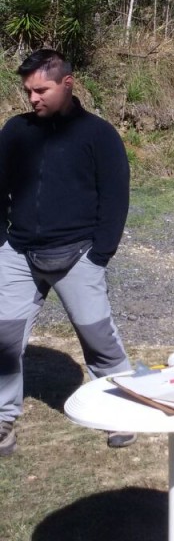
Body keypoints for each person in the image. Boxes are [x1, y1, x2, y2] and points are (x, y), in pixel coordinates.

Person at [0, 49, 135, 456]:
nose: (33, 99)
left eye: (41, 90)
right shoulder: (15, 131)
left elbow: (115, 197)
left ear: (68, 84)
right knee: (3, 340)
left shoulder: (98, 134)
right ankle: (3, 421)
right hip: (19, 254)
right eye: (28, 92)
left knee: (98, 339)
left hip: (78, 255)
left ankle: (120, 411)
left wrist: (100, 254)